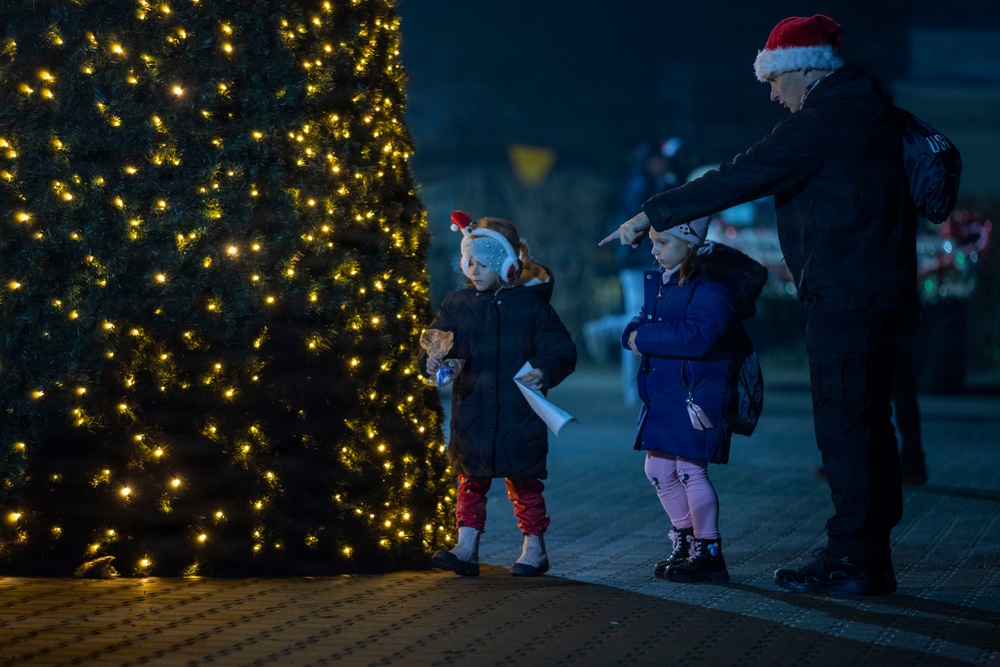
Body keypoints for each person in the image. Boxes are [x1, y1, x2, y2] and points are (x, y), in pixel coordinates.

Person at [601, 14, 914, 595]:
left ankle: (852, 559)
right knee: (871, 424)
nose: (772, 95)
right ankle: (870, 558)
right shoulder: (873, 109)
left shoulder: (822, 121)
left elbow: (739, 175)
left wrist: (654, 213)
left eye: (773, 80)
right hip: (882, 289)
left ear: (803, 69)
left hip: (844, 296)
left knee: (846, 426)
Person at [422, 213, 577, 578]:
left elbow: (561, 349)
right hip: (473, 411)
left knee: (524, 483)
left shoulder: (532, 307)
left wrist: (543, 368)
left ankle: (534, 547)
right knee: (470, 481)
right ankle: (466, 545)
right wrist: (430, 359)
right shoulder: (457, 305)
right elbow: (437, 340)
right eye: (469, 261)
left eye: (484, 263)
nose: (474, 270)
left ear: (507, 265)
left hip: (518, 413)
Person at [622, 217, 766, 583]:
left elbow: (699, 337)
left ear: (690, 244)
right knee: (658, 470)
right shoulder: (663, 281)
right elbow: (638, 323)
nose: (654, 249)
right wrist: (633, 334)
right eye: (653, 241)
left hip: (697, 395)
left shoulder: (710, 286)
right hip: (665, 392)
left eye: (663, 242)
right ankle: (686, 540)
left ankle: (709, 550)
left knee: (690, 470)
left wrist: (643, 338)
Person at [610, 139, 687, 408]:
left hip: (637, 262)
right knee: (640, 319)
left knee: (642, 318)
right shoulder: (642, 185)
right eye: (661, 160)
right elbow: (646, 222)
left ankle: (637, 386)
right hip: (638, 263)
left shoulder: (642, 181)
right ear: (652, 160)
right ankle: (634, 388)